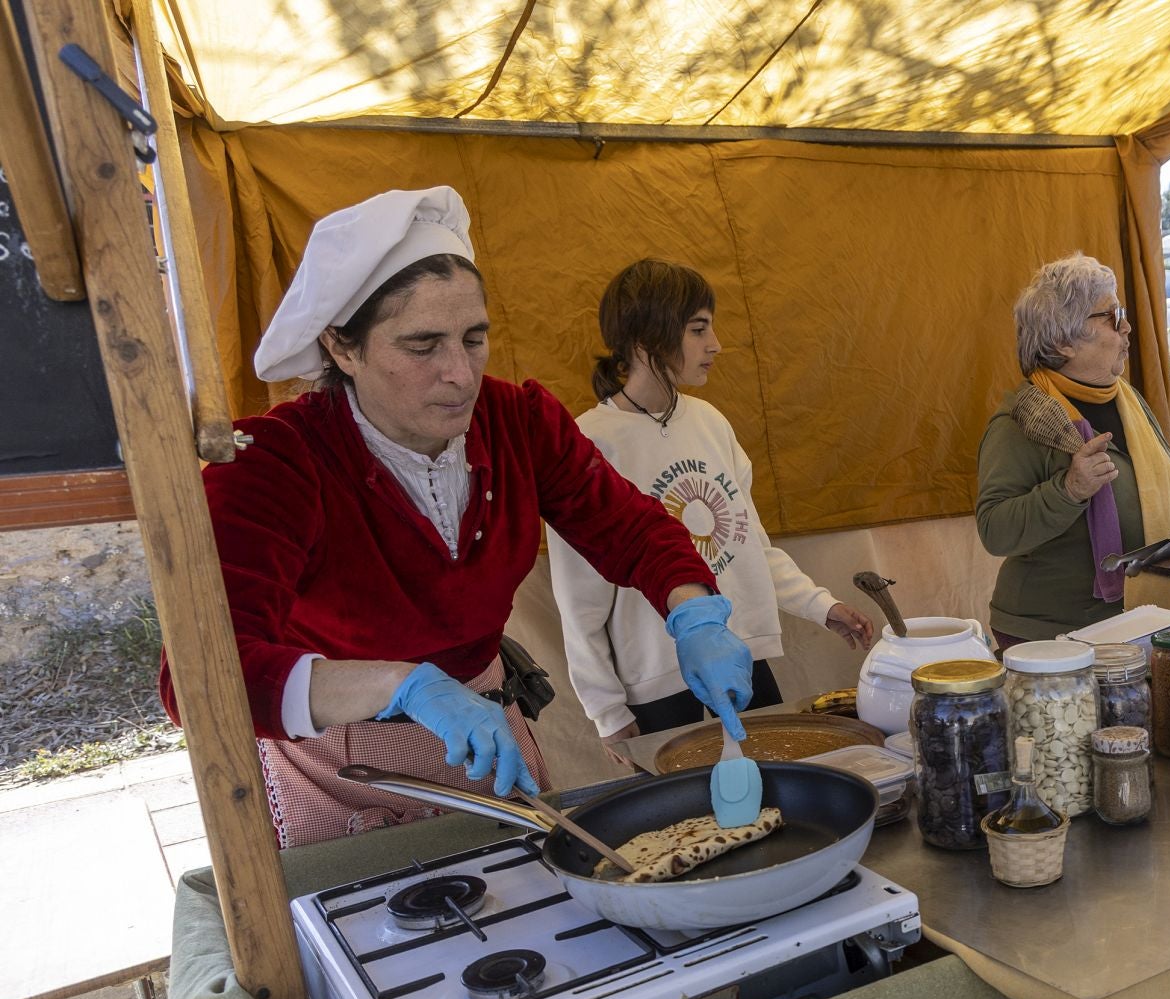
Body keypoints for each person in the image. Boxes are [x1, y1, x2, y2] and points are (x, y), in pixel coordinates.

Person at [158, 188, 755, 847]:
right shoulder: (275, 465)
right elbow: (204, 680)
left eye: (474, 340)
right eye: (422, 346)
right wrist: (401, 685)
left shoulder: (517, 422)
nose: (459, 375)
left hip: (489, 732)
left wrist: (694, 610)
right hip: (343, 764)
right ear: (342, 347)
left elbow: (629, 528)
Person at [551, 259, 875, 768]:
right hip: (657, 684)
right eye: (698, 329)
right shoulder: (591, 440)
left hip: (739, 657)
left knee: (775, 792)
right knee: (688, 819)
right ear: (645, 339)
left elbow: (750, 548)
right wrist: (607, 712)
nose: (716, 344)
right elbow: (579, 600)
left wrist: (821, 606)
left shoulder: (710, 422)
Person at [975, 253, 1170, 646]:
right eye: (1110, 315)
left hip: (1137, 621)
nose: (1126, 326)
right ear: (1062, 341)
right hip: (1051, 636)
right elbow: (995, 531)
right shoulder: (1023, 420)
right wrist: (1069, 490)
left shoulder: (1130, 402)